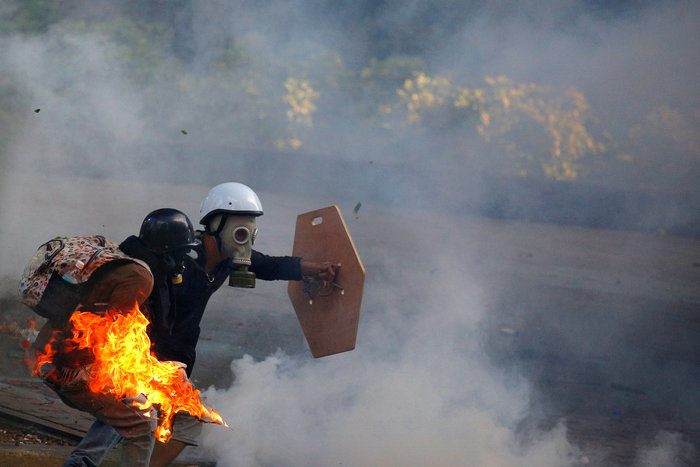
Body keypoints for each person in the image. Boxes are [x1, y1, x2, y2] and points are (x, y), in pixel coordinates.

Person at [69, 184, 336, 466]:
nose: (246, 233)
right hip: (142, 353)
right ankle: (81, 462)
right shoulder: (180, 257)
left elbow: (269, 265)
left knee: (187, 419)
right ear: (215, 224)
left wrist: (310, 267)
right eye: (239, 226)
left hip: (173, 359)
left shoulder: (228, 260)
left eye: (251, 225)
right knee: (130, 412)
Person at [56, 208, 200, 467]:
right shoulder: (138, 276)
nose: (183, 260)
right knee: (140, 415)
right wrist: (153, 373)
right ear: (165, 249)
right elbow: (114, 341)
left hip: (95, 363)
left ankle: (82, 462)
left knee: (135, 411)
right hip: (78, 364)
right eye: (180, 252)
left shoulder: (148, 271)